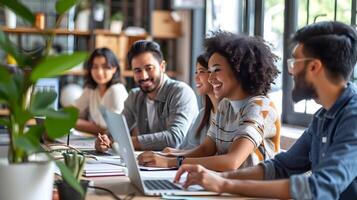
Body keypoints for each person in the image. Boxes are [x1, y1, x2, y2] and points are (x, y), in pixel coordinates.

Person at [174, 21, 357, 200]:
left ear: (314, 67)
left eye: (294, 63)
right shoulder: (323, 116)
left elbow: (320, 187)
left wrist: (224, 184)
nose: (290, 72)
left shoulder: (353, 117)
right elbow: (280, 168)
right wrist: (219, 178)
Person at [138, 32, 281, 171]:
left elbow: (231, 162)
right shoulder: (226, 105)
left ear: (239, 70)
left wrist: (171, 162)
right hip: (228, 185)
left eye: (216, 70)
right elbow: (206, 149)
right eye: (210, 71)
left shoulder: (260, 107)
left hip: (253, 191)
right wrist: (166, 155)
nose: (210, 78)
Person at [95, 40, 198, 151]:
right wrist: (104, 140)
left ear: (162, 66)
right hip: (150, 164)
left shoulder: (181, 93)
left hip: (181, 165)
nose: (143, 76)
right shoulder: (135, 96)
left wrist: (125, 142)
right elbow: (116, 133)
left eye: (149, 68)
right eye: (137, 70)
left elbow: (174, 138)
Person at [137, 53, 220, 165]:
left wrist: (171, 160)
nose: (196, 77)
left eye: (202, 71)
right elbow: (197, 149)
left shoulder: (230, 113)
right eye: (196, 72)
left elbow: (214, 156)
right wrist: (172, 153)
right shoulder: (203, 114)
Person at [74, 47, 128, 134]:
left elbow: (116, 130)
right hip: (97, 140)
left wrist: (81, 124)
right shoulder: (91, 89)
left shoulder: (117, 90)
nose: (99, 72)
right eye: (95, 67)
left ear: (114, 69)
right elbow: (75, 113)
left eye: (105, 67)